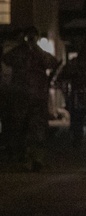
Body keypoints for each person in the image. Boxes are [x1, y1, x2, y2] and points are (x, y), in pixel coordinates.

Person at [1, 27, 60, 171]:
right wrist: (22, 46)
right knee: (20, 128)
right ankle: (23, 157)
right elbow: (6, 59)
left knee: (37, 129)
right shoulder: (18, 52)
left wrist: (35, 49)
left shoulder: (39, 53)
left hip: (37, 98)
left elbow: (52, 63)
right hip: (21, 97)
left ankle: (36, 159)